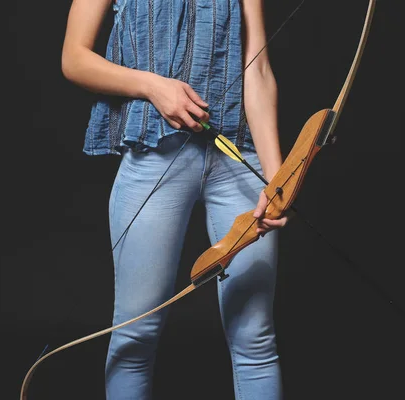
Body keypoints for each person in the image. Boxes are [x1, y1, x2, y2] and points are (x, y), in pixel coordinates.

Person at [61, 0, 289, 398]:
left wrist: (277, 178)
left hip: (239, 159)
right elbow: (74, 58)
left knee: (255, 338)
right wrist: (152, 85)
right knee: (135, 335)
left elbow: (259, 70)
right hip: (154, 155)